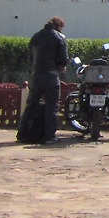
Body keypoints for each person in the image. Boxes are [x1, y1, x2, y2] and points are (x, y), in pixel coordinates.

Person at [22, 16, 68, 144]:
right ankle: (50, 136)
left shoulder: (36, 36)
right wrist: (60, 66)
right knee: (52, 106)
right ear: (59, 26)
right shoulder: (59, 37)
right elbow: (63, 59)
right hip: (51, 76)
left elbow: (30, 57)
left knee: (31, 105)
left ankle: (22, 134)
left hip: (36, 75)